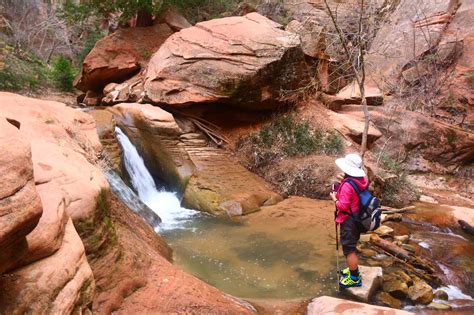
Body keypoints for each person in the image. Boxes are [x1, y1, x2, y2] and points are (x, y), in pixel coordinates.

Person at [330, 153, 368, 288]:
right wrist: (344, 182)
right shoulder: (362, 179)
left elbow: (343, 206)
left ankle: (354, 278)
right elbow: (354, 194)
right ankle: (353, 270)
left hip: (349, 220)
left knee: (349, 250)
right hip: (358, 218)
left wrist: (335, 198)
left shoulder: (348, 185)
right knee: (352, 245)